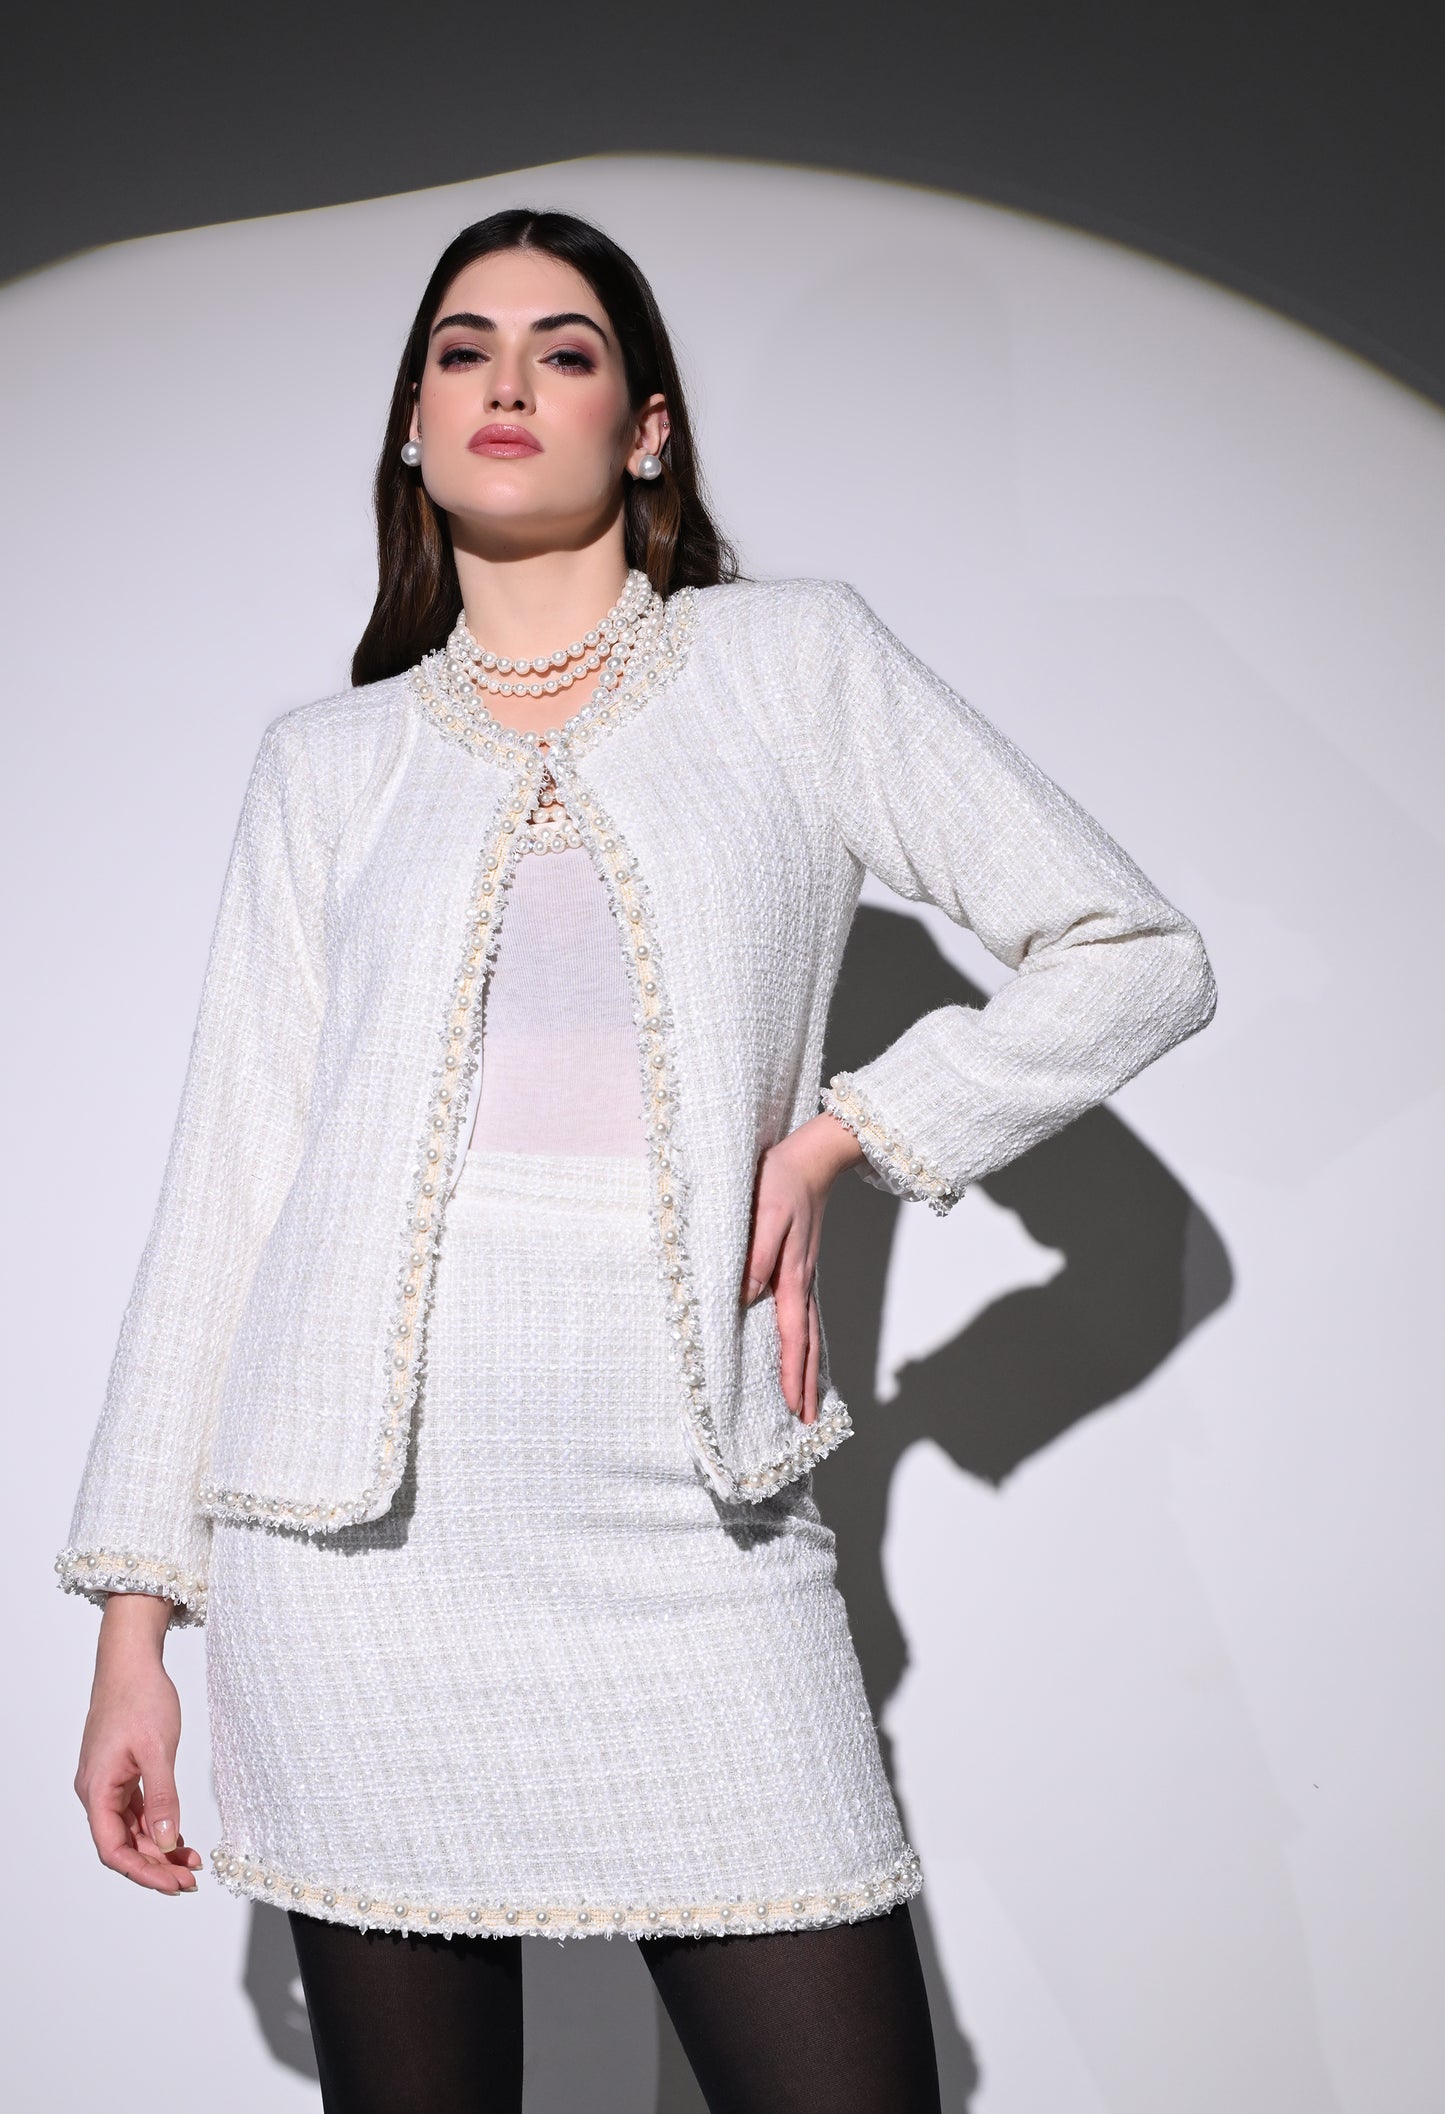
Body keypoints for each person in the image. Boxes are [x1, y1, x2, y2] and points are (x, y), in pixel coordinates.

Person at [58, 207, 1217, 2112]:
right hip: (352, 1567)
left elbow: (1132, 950)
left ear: (647, 425)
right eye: (461, 348)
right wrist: (135, 1632)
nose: (507, 380)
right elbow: (228, 1190)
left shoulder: (791, 664)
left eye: (566, 348)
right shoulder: (327, 763)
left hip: (690, 1521)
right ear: (413, 425)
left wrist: (851, 1135)